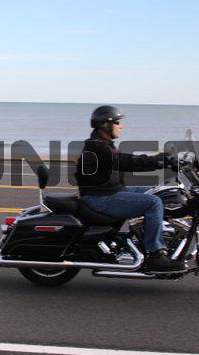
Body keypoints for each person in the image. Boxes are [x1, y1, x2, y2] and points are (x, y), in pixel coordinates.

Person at [76, 105, 185, 273]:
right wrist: (159, 161)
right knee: (153, 202)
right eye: (117, 122)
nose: (121, 126)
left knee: (157, 190)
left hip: (111, 191)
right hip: (100, 198)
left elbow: (124, 160)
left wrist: (166, 160)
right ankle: (155, 253)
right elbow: (127, 162)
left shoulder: (103, 144)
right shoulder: (98, 147)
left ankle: (152, 233)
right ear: (105, 124)